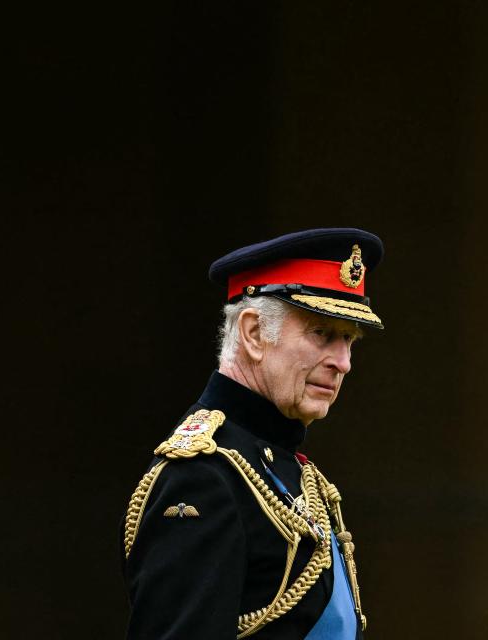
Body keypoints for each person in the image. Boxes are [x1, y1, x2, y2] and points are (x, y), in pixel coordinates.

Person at [121, 228, 385, 639]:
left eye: (349, 340)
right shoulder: (202, 478)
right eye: (322, 333)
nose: (343, 362)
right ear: (253, 333)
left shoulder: (290, 471)